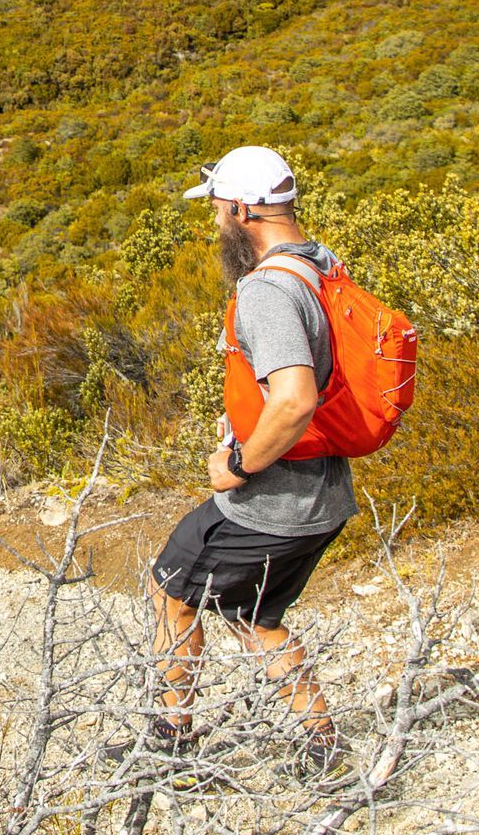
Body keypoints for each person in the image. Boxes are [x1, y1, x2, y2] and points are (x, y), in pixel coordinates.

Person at [145, 145, 353, 781]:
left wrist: (236, 463)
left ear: (242, 209)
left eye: (217, 212)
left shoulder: (267, 290)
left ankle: (168, 742)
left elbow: (292, 401)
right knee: (252, 614)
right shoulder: (321, 265)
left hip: (271, 500)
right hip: (325, 495)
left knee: (172, 592)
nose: (215, 225)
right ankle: (323, 748)